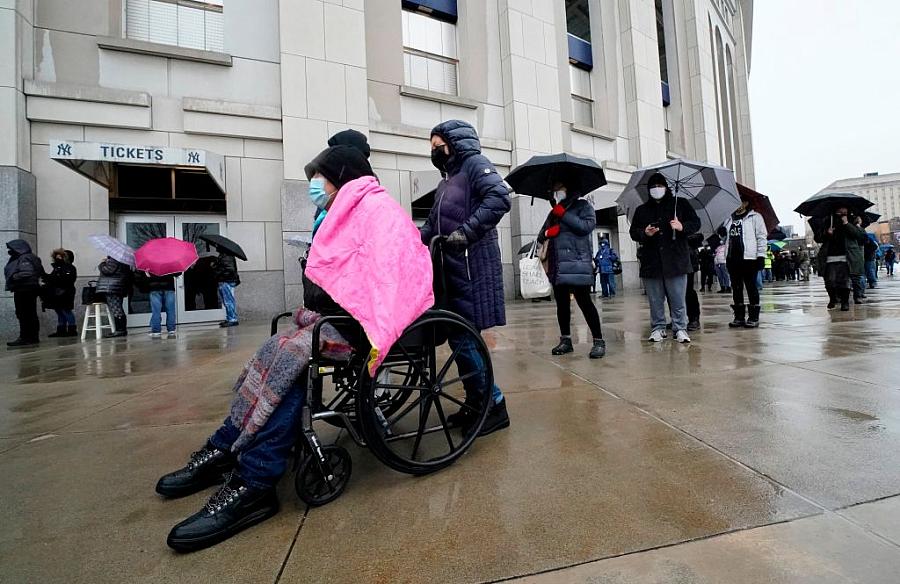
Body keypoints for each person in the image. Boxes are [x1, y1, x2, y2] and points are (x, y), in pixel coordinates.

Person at [158, 145, 432, 552]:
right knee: (272, 351)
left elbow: (391, 274)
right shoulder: (345, 211)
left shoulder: (377, 211)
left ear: (340, 175)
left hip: (362, 324)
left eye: (320, 176)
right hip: (334, 318)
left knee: (292, 362)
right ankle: (227, 444)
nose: (314, 185)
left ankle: (256, 479)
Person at [420, 120, 511, 431]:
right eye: (431, 148)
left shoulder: (475, 165)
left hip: (472, 266)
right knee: (461, 338)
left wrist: (465, 233)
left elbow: (499, 199)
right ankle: (477, 403)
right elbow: (432, 225)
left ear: (454, 144)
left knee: (464, 338)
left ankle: (494, 404)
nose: (434, 152)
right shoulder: (447, 182)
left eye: (438, 146)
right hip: (452, 270)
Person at [629, 172, 701, 343]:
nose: (656, 189)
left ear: (666, 187)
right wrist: (644, 233)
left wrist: (682, 226)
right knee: (655, 299)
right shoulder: (642, 210)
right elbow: (634, 232)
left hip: (676, 261)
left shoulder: (680, 204)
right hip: (652, 262)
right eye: (653, 187)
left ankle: (680, 328)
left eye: (660, 186)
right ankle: (658, 327)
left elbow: (696, 223)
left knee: (678, 298)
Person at [539, 181, 606, 359]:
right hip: (558, 265)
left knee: (584, 302)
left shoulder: (583, 206)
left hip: (577, 264)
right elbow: (541, 234)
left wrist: (564, 215)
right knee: (562, 304)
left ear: (568, 190)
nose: (556, 193)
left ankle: (598, 341)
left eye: (559, 188)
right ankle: (566, 340)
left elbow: (586, 227)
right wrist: (547, 233)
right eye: (553, 190)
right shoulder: (552, 212)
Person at [723, 196, 767, 328]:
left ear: (746, 203)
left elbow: (761, 237)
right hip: (732, 258)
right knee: (736, 288)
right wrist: (721, 234)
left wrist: (761, 256)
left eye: (740, 200)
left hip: (749, 258)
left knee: (751, 287)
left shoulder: (755, 217)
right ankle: (739, 316)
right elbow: (725, 238)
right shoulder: (728, 218)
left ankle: (753, 317)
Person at [814, 208, 866, 311]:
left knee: (844, 281)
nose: (842, 212)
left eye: (844, 210)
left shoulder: (852, 220)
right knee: (830, 281)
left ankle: (845, 302)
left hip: (846, 256)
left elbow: (860, 236)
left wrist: (847, 223)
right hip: (829, 256)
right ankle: (832, 299)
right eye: (839, 210)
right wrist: (826, 233)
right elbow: (818, 238)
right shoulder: (827, 221)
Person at [5, 239, 44, 347]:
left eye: (11, 249)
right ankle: (32, 337)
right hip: (28, 289)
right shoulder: (31, 257)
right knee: (30, 313)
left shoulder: (24, 258)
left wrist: (13, 277)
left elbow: (27, 272)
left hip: (24, 289)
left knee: (23, 314)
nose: (9, 251)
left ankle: (25, 337)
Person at [42, 248, 78, 337]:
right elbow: (52, 278)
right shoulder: (57, 267)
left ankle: (72, 330)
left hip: (66, 292)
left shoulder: (70, 268)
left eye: (61, 256)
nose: (58, 258)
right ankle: (61, 330)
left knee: (66, 310)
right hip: (56, 292)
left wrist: (53, 279)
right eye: (57, 256)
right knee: (59, 310)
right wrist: (44, 276)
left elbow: (67, 280)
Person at [96, 256, 132, 337]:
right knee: (117, 307)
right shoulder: (123, 259)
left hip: (113, 286)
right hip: (117, 286)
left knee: (116, 308)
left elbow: (108, 270)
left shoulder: (115, 258)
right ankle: (121, 329)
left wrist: (102, 264)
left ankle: (120, 330)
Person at [136, 271, 178, 338]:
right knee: (170, 310)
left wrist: (147, 274)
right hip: (169, 287)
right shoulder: (169, 260)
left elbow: (143, 275)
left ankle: (156, 330)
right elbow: (177, 273)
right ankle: (171, 329)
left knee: (156, 310)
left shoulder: (150, 261)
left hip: (154, 287)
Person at [212, 250, 240, 327]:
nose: (216, 247)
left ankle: (232, 319)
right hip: (226, 280)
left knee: (228, 301)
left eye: (217, 246)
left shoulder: (226, 256)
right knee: (227, 301)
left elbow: (229, 269)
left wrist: (216, 270)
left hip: (226, 281)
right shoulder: (225, 256)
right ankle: (230, 318)